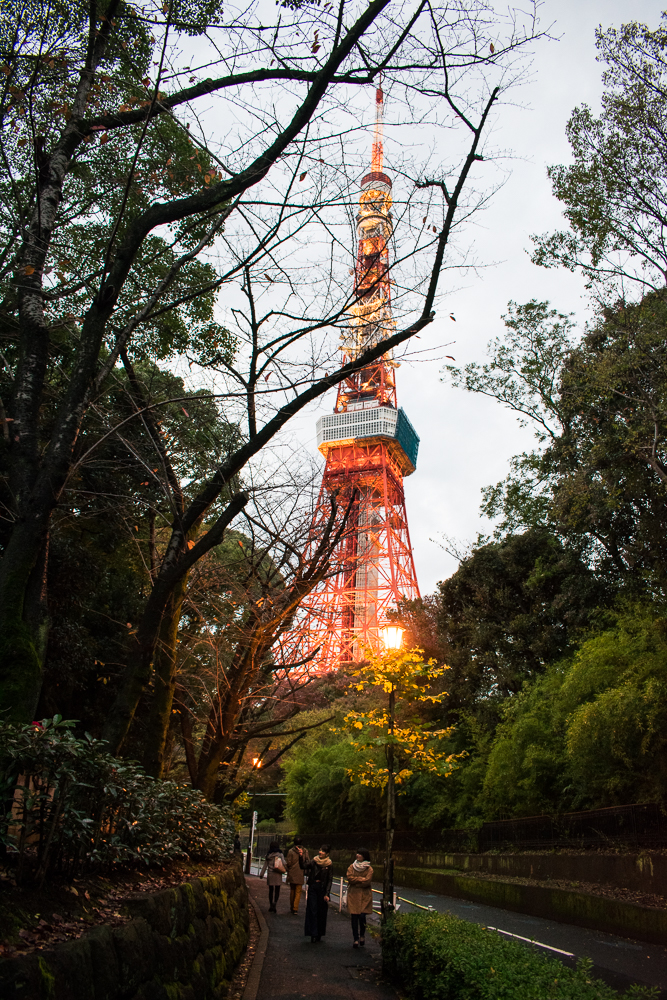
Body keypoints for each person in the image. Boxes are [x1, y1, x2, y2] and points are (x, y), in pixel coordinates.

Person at [304, 844, 333, 942]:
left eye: (323, 851)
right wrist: (301, 856)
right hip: (313, 887)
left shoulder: (329, 864)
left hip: (322, 889)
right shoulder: (314, 861)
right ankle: (313, 933)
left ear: (327, 854)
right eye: (320, 850)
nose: (320, 852)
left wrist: (327, 893)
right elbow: (303, 866)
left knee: (321, 911)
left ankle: (319, 932)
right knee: (312, 909)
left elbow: (329, 879)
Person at [346, 848, 373, 947]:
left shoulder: (369, 868)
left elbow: (367, 881)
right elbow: (349, 878)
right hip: (353, 895)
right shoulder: (351, 867)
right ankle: (355, 938)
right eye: (357, 853)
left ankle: (362, 935)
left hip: (364, 896)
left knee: (362, 916)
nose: (357, 855)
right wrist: (361, 879)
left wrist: (356, 881)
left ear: (364, 856)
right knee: (354, 917)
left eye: (360, 854)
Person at [259, 840, 287, 912]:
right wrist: (287, 869)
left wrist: (261, 874)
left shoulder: (268, 855)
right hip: (278, 873)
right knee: (277, 890)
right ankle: (275, 903)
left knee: (271, 890)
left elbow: (265, 866)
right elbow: (284, 863)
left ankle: (271, 904)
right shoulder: (280, 854)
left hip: (270, 874)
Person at [286, 836, 310, 915]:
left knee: (292, 890)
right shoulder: (305, 851)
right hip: (300, 872)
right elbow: (308, 861)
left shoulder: (290, 851)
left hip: (292, 872)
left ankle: (291, 906)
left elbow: (288, 862)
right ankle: (295, 908)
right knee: (298, 891)